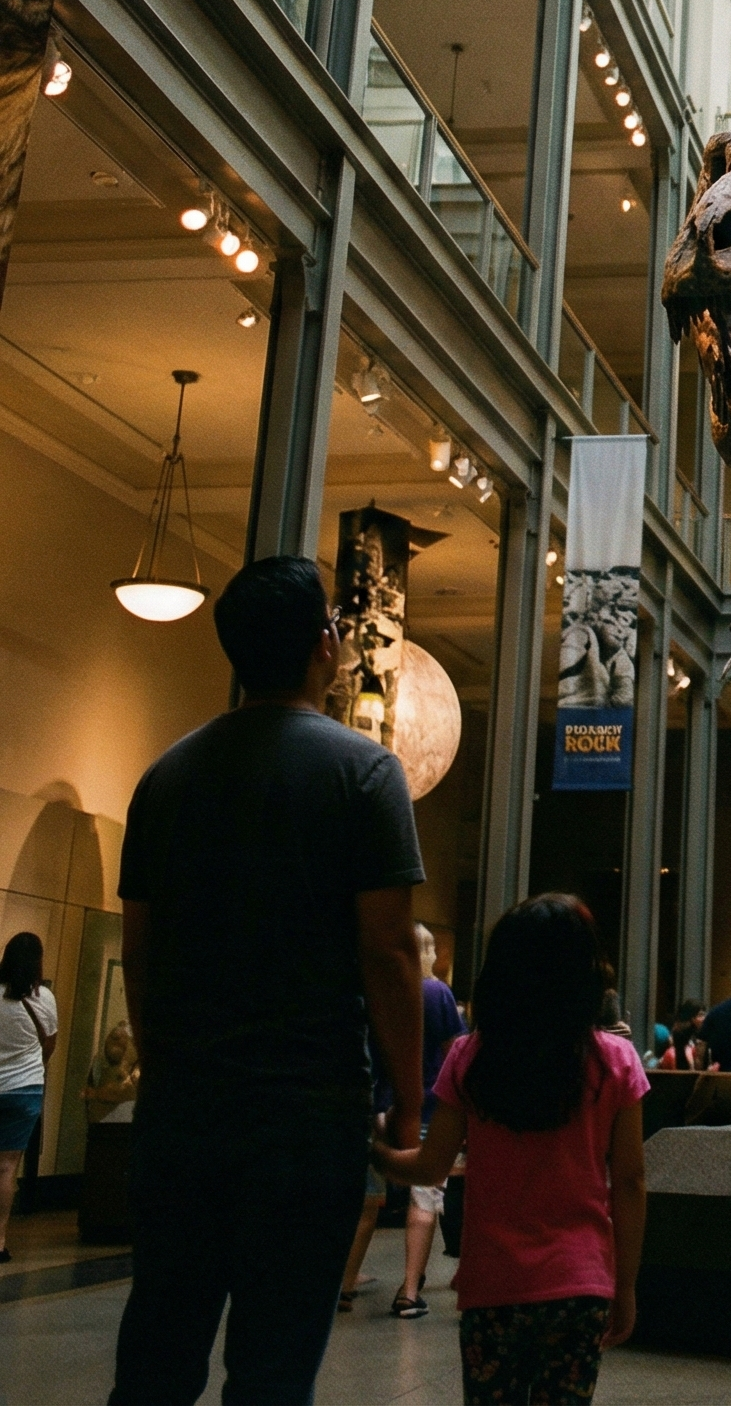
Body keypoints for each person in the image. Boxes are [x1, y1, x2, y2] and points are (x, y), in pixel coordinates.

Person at [109, 556, 425, 1406]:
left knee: (157, 1351)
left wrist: (168, 1064)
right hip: (305, 1112)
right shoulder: (365, 774)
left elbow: (140, 949)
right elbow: (389, 952)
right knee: (275, 1365)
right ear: (325, 645)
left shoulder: (163, 780)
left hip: (184, 1114)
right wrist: (407, 1094)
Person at [377, 894, 647, 1404]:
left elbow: (432, 1165)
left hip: (494, 1284)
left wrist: (378, 1155)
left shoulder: (471, 1056)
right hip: (579, 1283)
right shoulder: (616, 1060)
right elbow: (630, 1182)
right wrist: (626, 1284)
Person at [392, 924, 466, 1320]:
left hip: (395, 1105)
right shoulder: (435, 992)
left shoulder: (390, 992)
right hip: (432, 1108)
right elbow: (456, 1053)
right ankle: (407, 1291)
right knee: (425, 1197)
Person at [0, 933, 57, 1260]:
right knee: (6, 1168)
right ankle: (0, 1240)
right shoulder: (43, 998)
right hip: (25, 1090)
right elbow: (50, 1043)